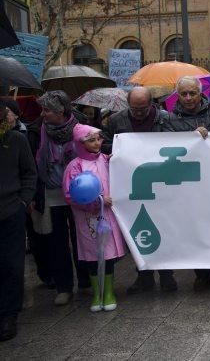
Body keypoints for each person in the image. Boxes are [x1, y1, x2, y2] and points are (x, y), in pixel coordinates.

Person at [102, 87, 176, 294]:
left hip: (161, 181)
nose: (139, 112)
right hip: (132, 183)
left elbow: (178, 141)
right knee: (137, 229)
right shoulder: (116, 120)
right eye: (134, 109)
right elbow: (105, 143)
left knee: (163, 227)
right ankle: (144, 275)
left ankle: (166, 274)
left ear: (152, 104)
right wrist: (118, 150)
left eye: (143, 109)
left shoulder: (165, 118)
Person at [165, 76, 210, 291]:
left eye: (193, 93)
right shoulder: (170, 119)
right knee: (194, 228)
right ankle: (200, 273)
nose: (188, 97)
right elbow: (166, 148)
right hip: (188, 183)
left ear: (201, 93)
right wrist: (188, 139)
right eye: (184, 94)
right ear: (178, 95)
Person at [32, 91, 91, 305]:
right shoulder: (38, 129)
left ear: (61, 111)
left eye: (47, 110)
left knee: (81, 237)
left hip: (79, 192)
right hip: (52, 192)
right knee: (56, 242)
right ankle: (63, 286)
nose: (43, 113)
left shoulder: (82, 127)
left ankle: (85, 280)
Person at [62, 124, 126, 312]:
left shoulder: (106, 160)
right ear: (81, 143)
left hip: (107, 216)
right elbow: (69, 195)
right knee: (91, 255)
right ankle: (97, 293)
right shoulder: (75, 166)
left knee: (106, 255)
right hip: (86, 219)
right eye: (91, 140)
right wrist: (96, 202)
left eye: (99, 139)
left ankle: (108, 292)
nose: (97, 143)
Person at [0, 105, 37, 341]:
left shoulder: (15, 140)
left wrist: (23, 200)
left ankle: (8, 314)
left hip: (9, 210)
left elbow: (29, 172)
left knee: (11, 264)